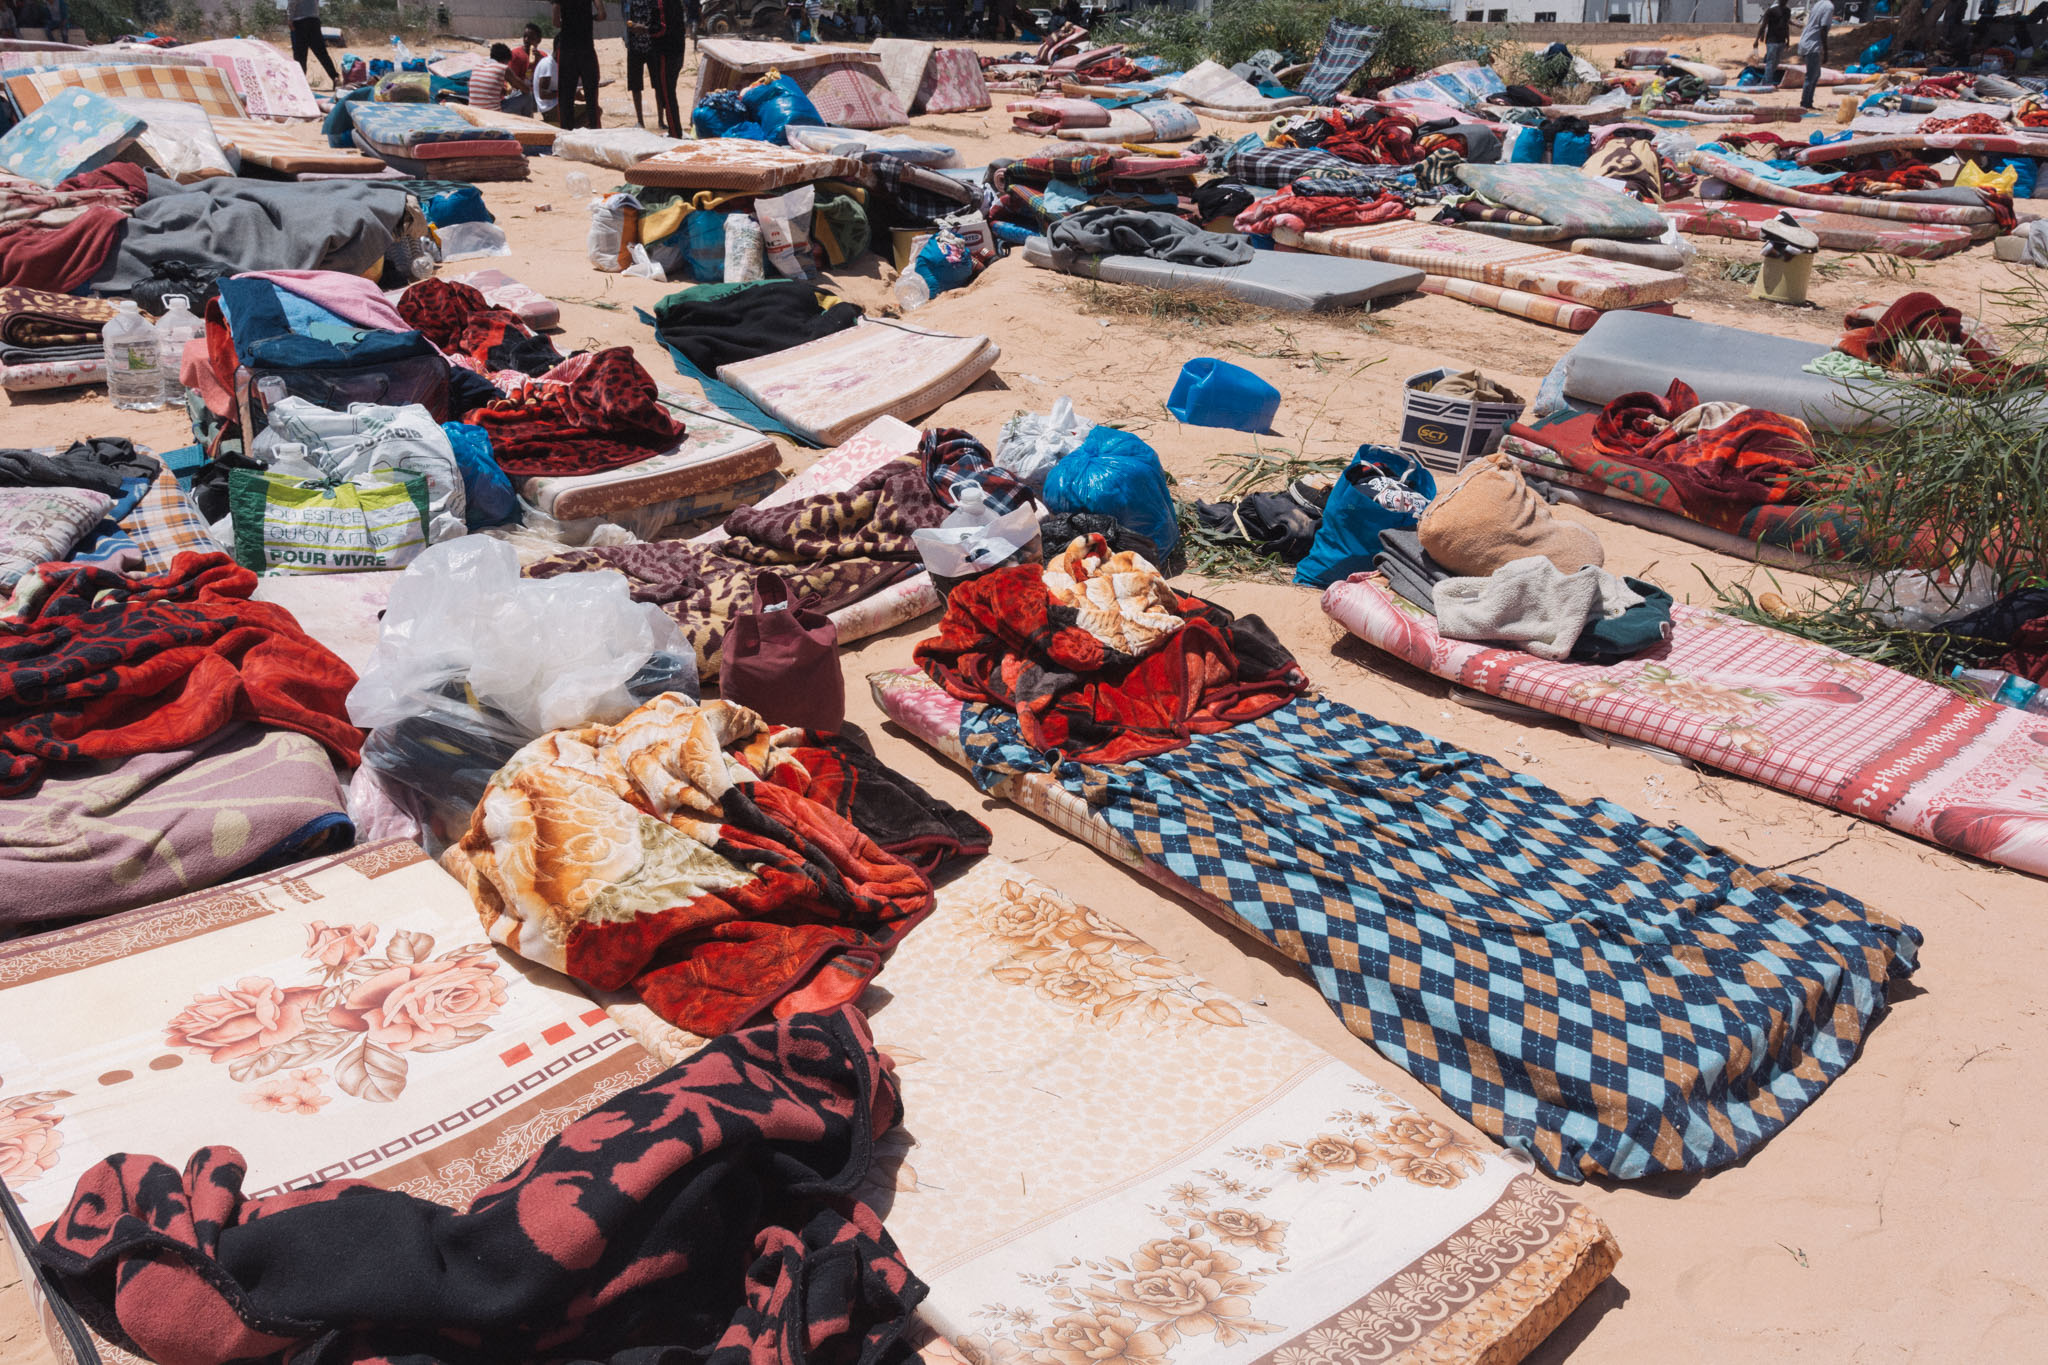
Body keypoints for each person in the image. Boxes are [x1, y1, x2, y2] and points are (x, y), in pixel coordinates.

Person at [552, 0, 605, 130]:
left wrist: (569, 24)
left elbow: (556, 22)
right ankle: (595, 132)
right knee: (592, 96)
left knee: (565, 97)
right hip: (586, 48)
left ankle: (566, 133)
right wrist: (588, 19)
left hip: (567, 49)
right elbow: (602, 14)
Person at [286, 0, 342, 85]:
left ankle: (301, 83)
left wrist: (290, 19)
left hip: (299, 22)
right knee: (322, 53)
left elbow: (292, 3)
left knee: (300, 55)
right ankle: (335, 77)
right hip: (314, 20)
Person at [1800, 0, 1834, 110]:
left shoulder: (1819, 4)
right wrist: (1826, 50)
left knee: (1815, 75)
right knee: (1811, 76)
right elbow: (1823, 28)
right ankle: (1805, 103)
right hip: (1812, 44)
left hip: (1806, 41)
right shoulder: (1829, 6)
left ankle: (1808, 101)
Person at [1755, 0, 1791, 85]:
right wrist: (1757, 39)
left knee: (1775, 63)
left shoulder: (1787, 11)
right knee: (1770, 63)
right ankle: (1767, 83)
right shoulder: (1771, 11)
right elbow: (1763, 25)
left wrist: (1788, 40)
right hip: (1772, 41)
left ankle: (1765, 82)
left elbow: (1786, 26)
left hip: (1781, 41)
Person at [470, 42, 512, 111]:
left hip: (473, 110)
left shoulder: (477, 66)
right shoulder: (502, 67)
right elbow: (524, 88)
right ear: (504, 60)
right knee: (527, 97)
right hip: (492, 113)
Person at [534, 47, 560, 119]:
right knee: (589, 112)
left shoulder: (556, 63)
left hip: (556, 104)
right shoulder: (548, 64)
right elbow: (543, 94)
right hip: (549, 108)